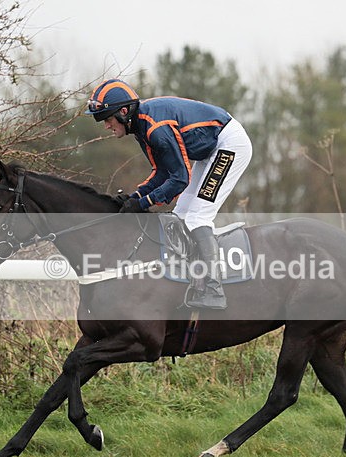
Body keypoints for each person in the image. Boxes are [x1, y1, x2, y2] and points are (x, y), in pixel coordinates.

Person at [85, 79, 252, 310]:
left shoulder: (154, 128)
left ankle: (214, 290)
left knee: (197, 217)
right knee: (180, 215)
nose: (106, 126)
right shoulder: (141, 127)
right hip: (209, 150)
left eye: (107, 119)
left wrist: (143, 204)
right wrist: (136, 197)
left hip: (229, 143)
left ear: (123, 112)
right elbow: (162, 172)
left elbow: (180, 178)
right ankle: (193, 281)